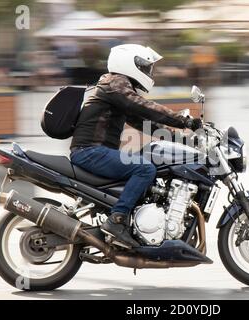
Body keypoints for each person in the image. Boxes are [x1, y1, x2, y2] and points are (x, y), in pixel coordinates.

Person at [69, 44, 201, 247]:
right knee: (144, 168)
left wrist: (181, 139)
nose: (148, 71)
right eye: (145, 66)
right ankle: (117, 220)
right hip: (90, 152)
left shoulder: (115, 87)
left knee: (148, 162)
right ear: (129, 63)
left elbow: (141, 121)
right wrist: (184, 120)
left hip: (95, 151)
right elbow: (144, 107)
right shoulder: (115, 83)